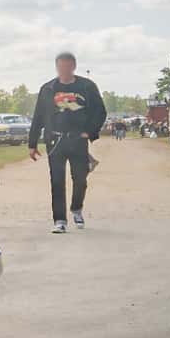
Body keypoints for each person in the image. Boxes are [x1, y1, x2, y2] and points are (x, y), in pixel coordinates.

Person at [27, 51, 107, 234]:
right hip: (55, 140)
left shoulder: (86, 86)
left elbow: (100, 112)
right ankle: (60, 220)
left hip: (78, 140)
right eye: (60, 66)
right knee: (57, 180)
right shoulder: (48, 88)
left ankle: (76, 208)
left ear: (73, 66)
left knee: (80, 178)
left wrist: (90, 131)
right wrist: (32, 144)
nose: (63, 70)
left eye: (67, 66)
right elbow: (38, 116)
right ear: (57, 67)